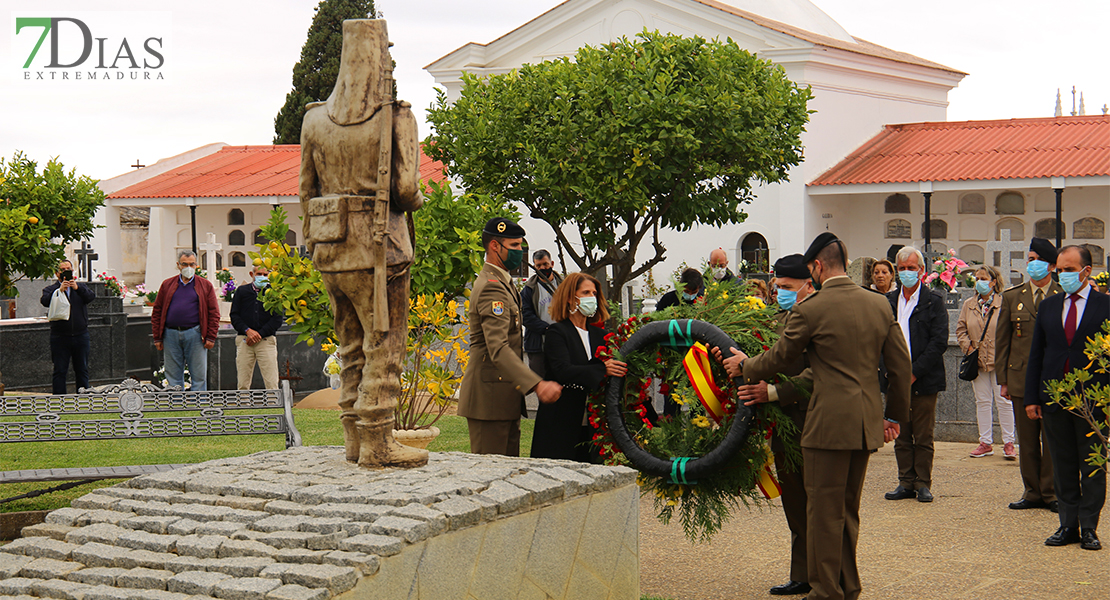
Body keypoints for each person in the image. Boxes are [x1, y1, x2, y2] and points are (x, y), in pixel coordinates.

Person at [720, 232, 911, 600]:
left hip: (826, 425)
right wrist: (894, 418)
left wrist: (745, 366)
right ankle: (848, 586)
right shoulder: (879, 305)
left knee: (823, 512)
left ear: (818, 266)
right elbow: (900, 368)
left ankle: (826, 592)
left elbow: (777, 358)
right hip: (864, 423)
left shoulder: (812, 308)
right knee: (847, 511)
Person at [298, 18, 427, 468]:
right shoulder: (396, 117)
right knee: (384, 344)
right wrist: (419, 201)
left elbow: (305, 191)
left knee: (350, 343)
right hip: (380, 249)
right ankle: (378, 440)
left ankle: (353, 439)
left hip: (330, 247)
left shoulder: (314, 119)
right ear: (381, 59)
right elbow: (406, 189)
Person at [734, 254, 814, 597]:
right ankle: (802, 573)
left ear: (807, 285)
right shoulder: (777, 316)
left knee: (818, 504)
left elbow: (818, 373)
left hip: (809, 418)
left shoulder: (815, 317)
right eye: (777, 286)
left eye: (787, 287)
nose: (780, 292)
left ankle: (827, 575)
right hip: (782, 423)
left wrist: (775, 391)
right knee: (794, 501)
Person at [1025, 245, 1107, 551]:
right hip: (1056, 397)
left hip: (1094, 400)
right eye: (1060, 270)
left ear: (1087, 271)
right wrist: (1033, 397)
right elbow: (1037, 354)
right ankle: (1067, 524)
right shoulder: (1050, 306)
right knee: (1062, 462)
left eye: (1070, 270)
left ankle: (1089, 527)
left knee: (1092, 464)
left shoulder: (1104, 305)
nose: (1064, 275)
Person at [459, 217, 562, 455]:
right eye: (514, 246)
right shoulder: (491, 286)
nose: (520, 252)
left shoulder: (504, 282)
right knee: (490, 478)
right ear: (495, 246)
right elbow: (498, 347)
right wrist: (537, 384)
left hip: (502, 397)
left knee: (508, 475)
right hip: (489, 399)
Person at [531, 272, 627, 461]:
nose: (591, 297)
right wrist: (601, 369)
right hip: (561, 422)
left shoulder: (600, 335)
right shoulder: (557, 332)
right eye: (585, 293)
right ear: (569, 298)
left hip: (593, 424)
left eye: (594, 293)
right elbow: (562, 370)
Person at [996, 237, 1062, 512]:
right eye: (1030, 259)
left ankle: (1051, 492)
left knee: (1052, 439)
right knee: (1027, 438)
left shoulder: (1063, 295)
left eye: (1037, 260)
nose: (1031, 265)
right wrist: (1003, 380)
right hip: (1021, 377)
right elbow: (1003, 341)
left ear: (1051, 265)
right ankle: (1032, 491)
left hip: (1057, 379)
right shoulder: (1013, 296)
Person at [883, 246, 948, 503]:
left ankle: (923, 482)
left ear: (921, 270)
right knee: (901, 432)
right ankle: (905, 482)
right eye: (902, 268)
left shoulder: (933, 302)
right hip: (895, 378)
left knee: (923, 434)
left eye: (912, 268)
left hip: (923, 378)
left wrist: (914, 371)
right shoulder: (888, 301)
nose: (907, 272)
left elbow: (939, 341)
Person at [956, 265, 1016, 459]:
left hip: (999, 360)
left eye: (984, 278)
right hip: (978, 360)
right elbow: (961, 330)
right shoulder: (969, 304)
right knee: (982, 401)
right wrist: (969, 348)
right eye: (977, 278)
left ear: (993, 282)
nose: (979, 281)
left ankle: (1009, 442)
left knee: (1004, 402)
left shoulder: (1004, 302)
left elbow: (1011, 330)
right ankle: (985, 442)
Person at [151, 250, 219, 391]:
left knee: (199, 376)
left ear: (196, 265)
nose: (188, 267)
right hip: (170, 334)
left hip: (195, 333)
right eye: (184, 264)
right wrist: (157, 337)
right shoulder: (167, 285)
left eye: (191, 264)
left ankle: (198, 407)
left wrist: (211, 336)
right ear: (178, 265)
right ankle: (176, 406)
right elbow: (157, 311)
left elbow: (214, 313)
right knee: (173, 375)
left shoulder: (205, 285)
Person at [40, 259, 96, 394]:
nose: (65, 272)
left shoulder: (80, 288)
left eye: (68, 269)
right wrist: (60, 291)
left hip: (80, 335)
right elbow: (44, 301)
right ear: (57, 272)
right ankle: (60, 400)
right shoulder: (51, 289)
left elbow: (90, 297)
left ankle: (83, 397)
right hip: (60, 336)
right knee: (60, 370)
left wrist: (77, 288)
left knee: (82, 369)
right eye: (62, 269)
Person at [229, 265, 284, 390]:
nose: (262, 277)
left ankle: (273, 405)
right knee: (243, 380)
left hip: (265, 340)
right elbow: (234, 315)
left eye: (265, 275)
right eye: (259, 274)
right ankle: (244, 406)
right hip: (245, 340)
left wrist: (259, 334)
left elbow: (277, 319)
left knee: (271, 380)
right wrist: (247, 331)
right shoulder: (242, 292)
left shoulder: (274, 293)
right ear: (252, 274)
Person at [520, 249, 562, 378]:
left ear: (552, 263)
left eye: (545, 264)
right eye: (538, 266)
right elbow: (525, 316)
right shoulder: (528, 290)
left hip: (561, 344)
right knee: (542, 384)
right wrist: (546, 329)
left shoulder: (564, 286)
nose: (542, 268)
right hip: (538, 346)